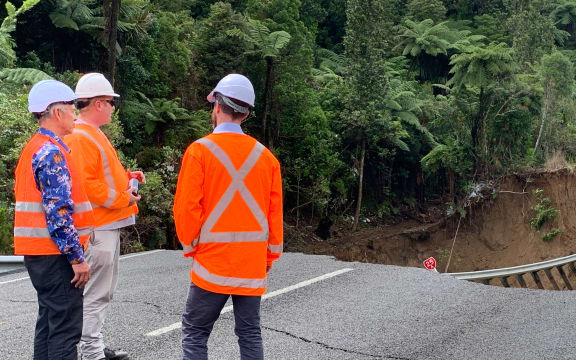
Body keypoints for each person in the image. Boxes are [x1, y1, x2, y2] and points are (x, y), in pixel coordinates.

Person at [173, 73, 284, 360]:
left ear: (218, 107)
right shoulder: (267, 158)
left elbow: (186, 208)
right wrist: (269, 258)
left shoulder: (199, 151)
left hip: (211, 264)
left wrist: (191, 246)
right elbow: (274, 216)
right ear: (245, 114)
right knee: (249, 334)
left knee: (195, 332)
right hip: (251, 265)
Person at [64, 73, 144, 360]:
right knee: (97, 293)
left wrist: (129, 179)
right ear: (98, 103)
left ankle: (93, 347)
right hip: (99, 226)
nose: (113, 108)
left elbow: (100, 177)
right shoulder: (82, 136)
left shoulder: (88, 133)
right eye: (111, 102)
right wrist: (124, 197)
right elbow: (87, 186)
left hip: (104, 224)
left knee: (100, 292)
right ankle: (92, 353)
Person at [14, 79, 95, 360]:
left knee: (48, 325)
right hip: (56, 255)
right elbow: (59, 214)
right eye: (72, 108)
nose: (75, 113)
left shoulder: (34, 148)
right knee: (64, 331)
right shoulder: (52, 153)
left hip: (40, 254)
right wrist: (77, 258)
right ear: (57, 112)